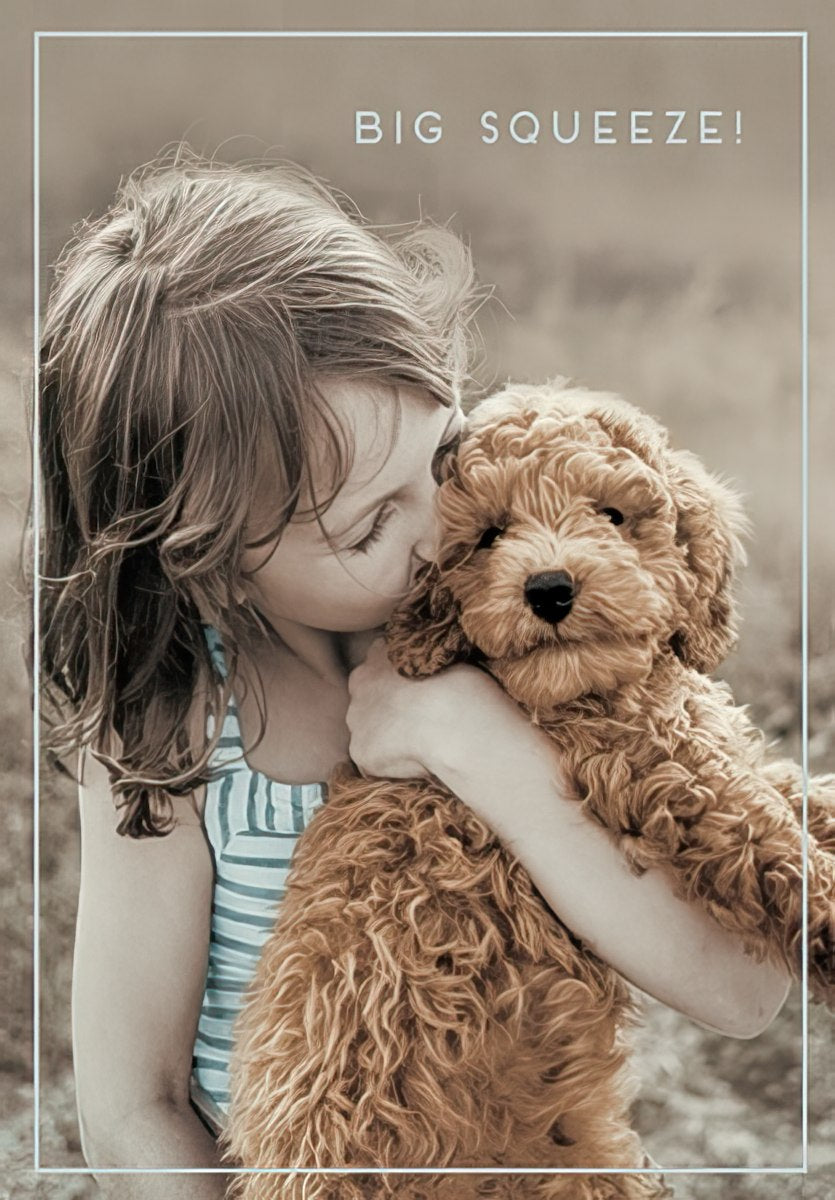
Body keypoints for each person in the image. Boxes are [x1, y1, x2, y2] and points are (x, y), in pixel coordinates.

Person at [38, 149, 789, 1199]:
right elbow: (136, 1105)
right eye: (371, 522)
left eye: (440, 457)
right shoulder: (177, 722)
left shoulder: (532, 641)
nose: (441, 531)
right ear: (209, 569)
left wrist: (482, 750)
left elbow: (743, 987)